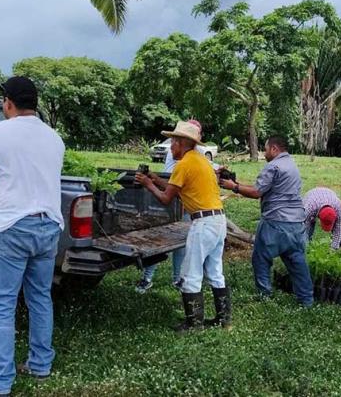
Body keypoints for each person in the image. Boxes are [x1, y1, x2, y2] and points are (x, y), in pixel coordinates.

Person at [0, 77, 65, 396]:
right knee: (39, 297)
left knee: (1, 304)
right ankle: (40, 363)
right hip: (48, 226)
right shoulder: (54, 138)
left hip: (11, 227)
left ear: (7, 102)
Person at [135, 121, 231, 332]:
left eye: (172, 144)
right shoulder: (200, 161)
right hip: (218, 220)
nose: (170, 148)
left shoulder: (185, 164)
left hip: (203, 223)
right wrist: (154, 178)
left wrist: (148, 184)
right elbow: (175, 188)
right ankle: (224, 320)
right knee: (215, 272)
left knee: (191, 272)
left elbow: (166, 198)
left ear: (181, 143)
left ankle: (193, 324)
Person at [218, 136, 314, 307]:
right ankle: (306, 299)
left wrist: (234, 187)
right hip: (296, 223)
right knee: (296, 260)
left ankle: (265, 296)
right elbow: (267, 188)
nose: (264, 153)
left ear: (274, 149)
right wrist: (238, 184)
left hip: (275, 222)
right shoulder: (292, 164)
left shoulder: (273, 166)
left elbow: (256, 192)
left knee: (260, 258)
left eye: (266, 149)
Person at [135, 119, 206, 294]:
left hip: (184, 202)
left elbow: (173, 188)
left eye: (175, 140)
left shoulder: (193, 158)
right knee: (159, 236)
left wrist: (150, 184)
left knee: (181, 241)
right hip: (176, 197)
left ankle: (177, 279)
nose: (172, 144)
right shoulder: (178, 154)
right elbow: (171, 179)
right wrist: (155, 180)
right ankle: (149, 277)